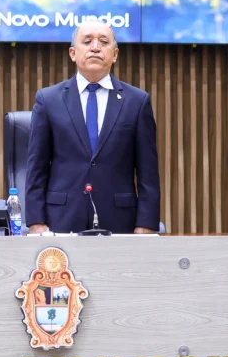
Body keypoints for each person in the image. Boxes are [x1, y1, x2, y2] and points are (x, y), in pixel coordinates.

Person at [24, 20, 160, 234]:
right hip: (60, 219)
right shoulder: (48, 100)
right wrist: (35, 221)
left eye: (103, 42)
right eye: (87, 41)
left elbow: (148, 173)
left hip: (120, 221)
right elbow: (36, 168)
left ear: (114, 54)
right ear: (72, 53)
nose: (95, 47)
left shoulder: (137, 101)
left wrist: (146, 224)